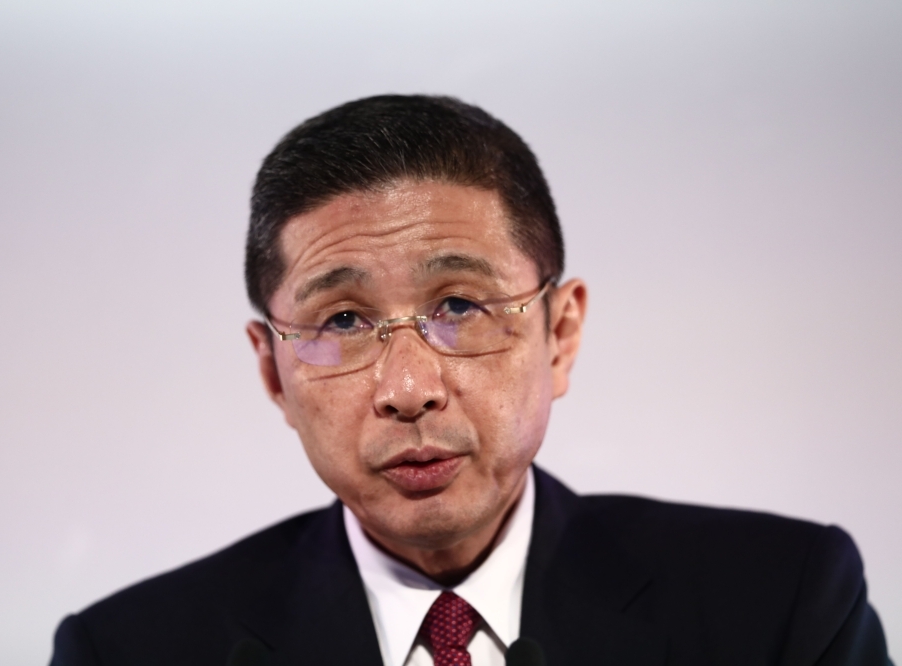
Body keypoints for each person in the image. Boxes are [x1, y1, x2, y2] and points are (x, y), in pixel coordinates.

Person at [49, 95, 891, 666]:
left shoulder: (780, 603)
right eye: (342, 322)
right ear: (273, 372)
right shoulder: (131, 650)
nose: (408, 387)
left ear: (560, 334)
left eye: (459, 303)